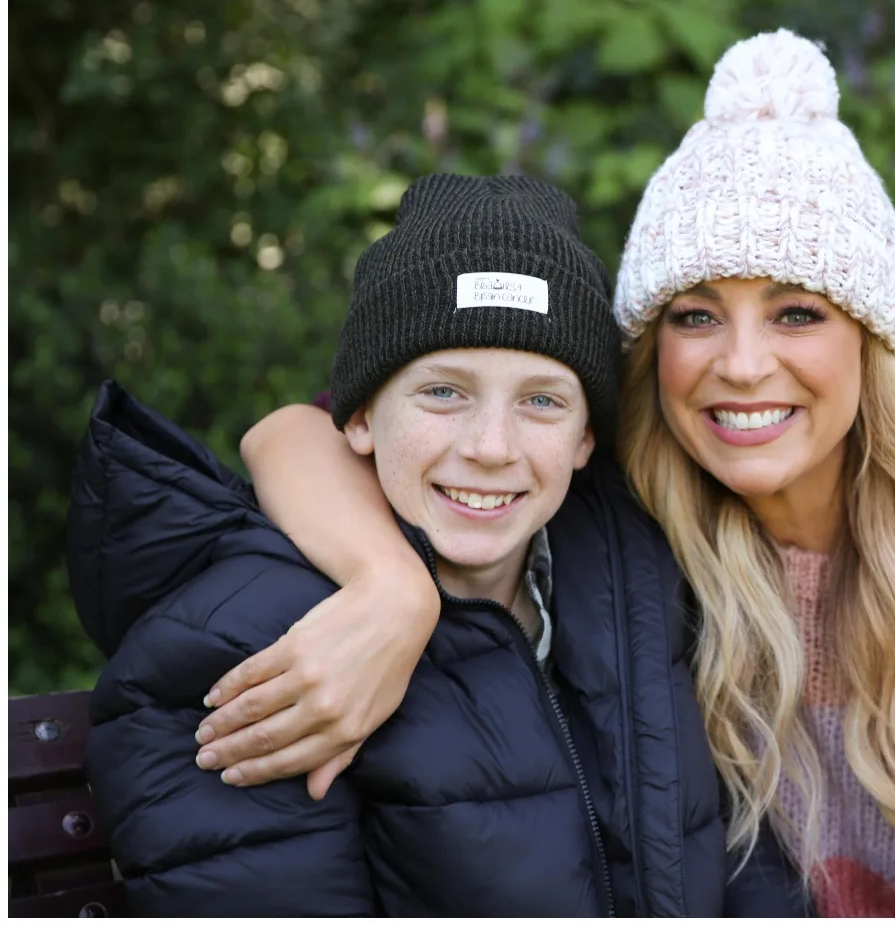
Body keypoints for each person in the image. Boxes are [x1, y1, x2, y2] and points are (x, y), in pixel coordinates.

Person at [192, 32, 895, 916]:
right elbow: (305, 429)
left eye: (797, 312)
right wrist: (391, 588)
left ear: (871, 345)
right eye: (696, 314)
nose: (742, 363)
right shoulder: (628, 518)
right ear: (648, 350)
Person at [68, 174, 806, 916]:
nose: (490, 447)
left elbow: (746, 864)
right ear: (358, 417)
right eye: (443, 392)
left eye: (541, 401)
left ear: (587, 437)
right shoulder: (262, 645)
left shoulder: (639, 584)